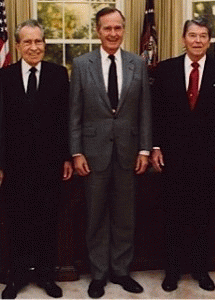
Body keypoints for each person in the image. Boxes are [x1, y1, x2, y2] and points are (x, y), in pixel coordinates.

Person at [69, 7, 152, 299]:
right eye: (107, 28)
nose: (113, 33)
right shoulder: (81, 65)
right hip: (93, 154)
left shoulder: (136, 64)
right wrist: (76, 152)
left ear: (124, 30)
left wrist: (144, 148)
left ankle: (121, 270)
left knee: (124, 215)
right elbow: (74, 114)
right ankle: (99, 274)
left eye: (118, 28)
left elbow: (144, 111)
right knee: (95, 216)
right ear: (98, 30)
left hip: (129, 152)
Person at [151, 18, 215, 292]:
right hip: (173, 157)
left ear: (209, 40)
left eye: (203, 36)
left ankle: (200, 269)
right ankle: (172, 270)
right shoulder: (166, 70)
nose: (197, 41)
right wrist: (156, 146)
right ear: (183, 38)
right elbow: (157, 113)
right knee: (173, 215)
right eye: (192, 35)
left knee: (204, 214)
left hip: (209, 158)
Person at [0, 19, 73, 299]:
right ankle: (16, 277)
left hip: (49, 165)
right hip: (15, 166)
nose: (34, 47)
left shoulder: (57, 74)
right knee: (17, 221)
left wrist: (66, 157)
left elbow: (64, 120)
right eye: (28, 42)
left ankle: (45, 275)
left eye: (38, 41)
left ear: (44, 44)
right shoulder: (4, 77)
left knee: (46, 220)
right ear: (17, 46)